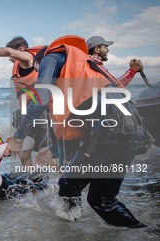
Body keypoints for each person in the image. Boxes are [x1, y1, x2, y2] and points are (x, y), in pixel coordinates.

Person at [9, 35, 152, 228]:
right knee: (68, 185)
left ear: (41, 62)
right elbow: (83, 120)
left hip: (118, 132)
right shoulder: (84, 69)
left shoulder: (51, 58)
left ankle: (147, 233)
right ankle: (72, 231)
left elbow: (40, 101)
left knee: (101, 201)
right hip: (107, 130)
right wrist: (52, 147)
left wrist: (18, 137)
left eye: (38, 71)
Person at [0, 37, 50, 167]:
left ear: (21, 49)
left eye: (12, 54)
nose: (10, 59)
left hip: (41, 116)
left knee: (47, 155)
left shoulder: (29, 59)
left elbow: (9, 53)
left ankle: (67, 182)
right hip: (27, 117)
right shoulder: (18, 67)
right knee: (24, 154)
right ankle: (32, 183)